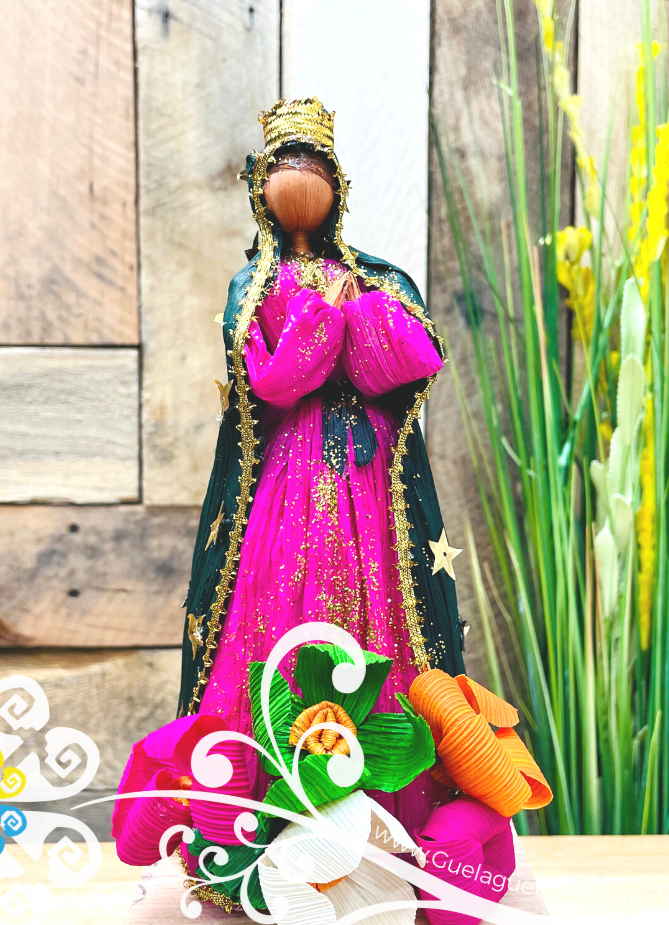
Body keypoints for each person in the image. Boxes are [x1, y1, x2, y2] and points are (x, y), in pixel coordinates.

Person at [178, 97, 465, 831]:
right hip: (291, 470)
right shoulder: (257, 285)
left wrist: (359, 310)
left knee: (382, 606)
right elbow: (272, 383)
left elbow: (410, 360)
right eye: (285, 173)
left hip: (370, 472)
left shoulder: (371, 276)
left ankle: (386, 821)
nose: (300, 187)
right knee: (280, 594)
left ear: (336, 187)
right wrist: (323, 317)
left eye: (314, 172)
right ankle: (262, 821)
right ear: (262, 191)